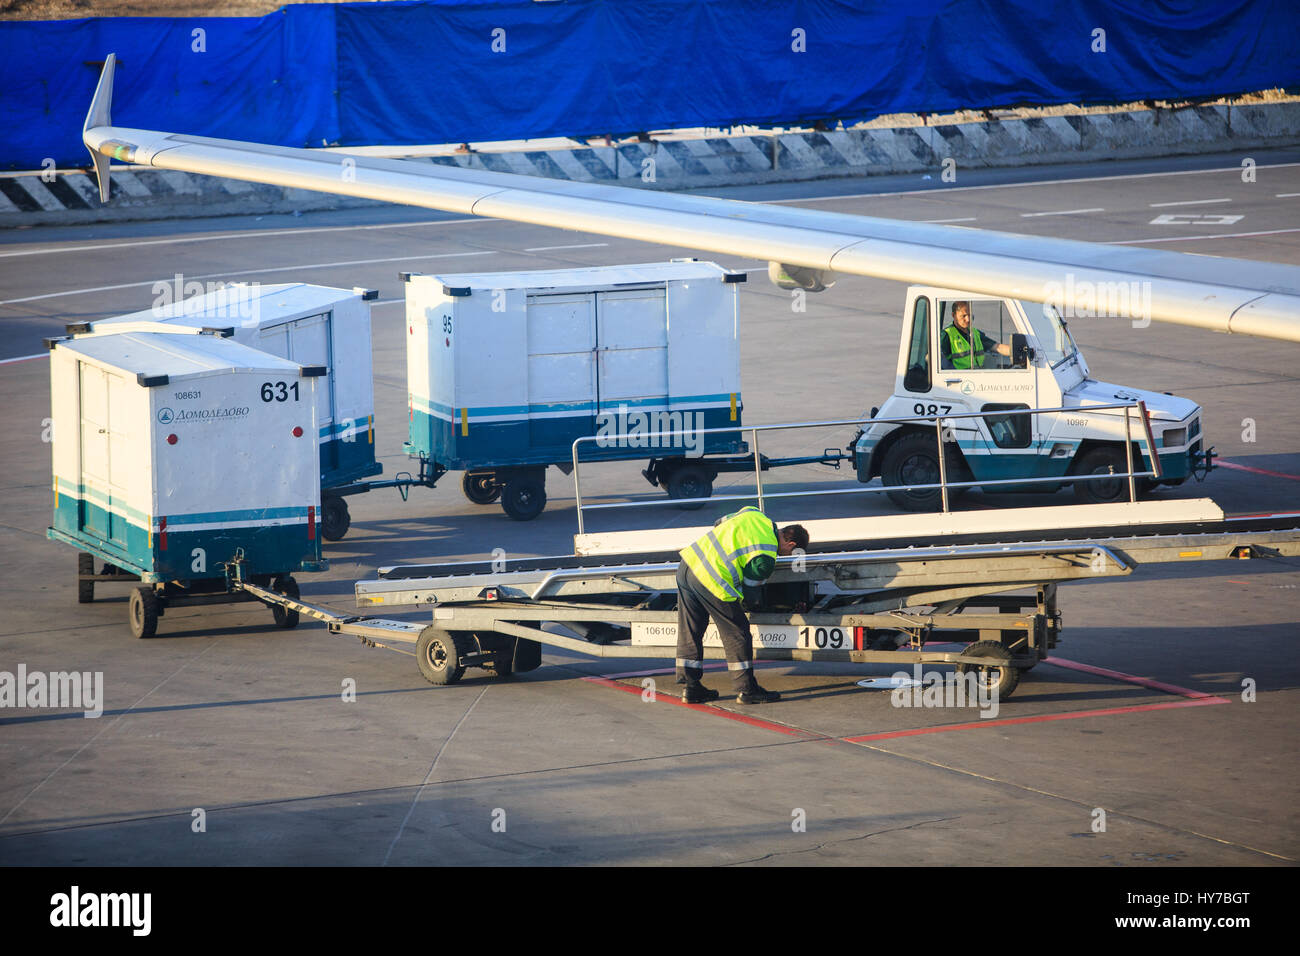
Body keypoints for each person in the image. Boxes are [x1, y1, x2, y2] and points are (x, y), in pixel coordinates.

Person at [675, 506, 810, 705]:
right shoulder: (766, 556)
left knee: (691, 629)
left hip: (689, 563)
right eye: (791, 552)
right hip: (711, 578)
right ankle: (747, 690)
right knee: (737, 633)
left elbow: (719, 523)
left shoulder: (755, 514)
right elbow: (751, 591)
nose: (785, 555)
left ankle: (692, 687)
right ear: (790, 544)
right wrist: (754, 605)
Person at [940, 300, 1012, 369]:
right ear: (953, 315)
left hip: (976, 374)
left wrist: (1016, 351)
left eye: (970, 315)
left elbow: (997, 347)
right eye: (963, 316)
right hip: (960, 378)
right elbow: (934, 358)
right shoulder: (946, 335)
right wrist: (953, 373)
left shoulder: (975, 333)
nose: (968, 319)